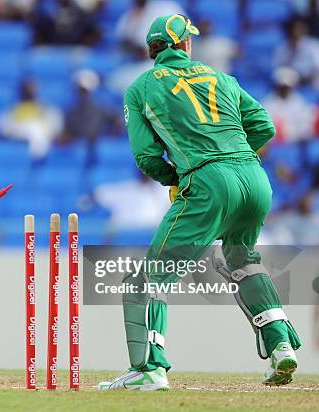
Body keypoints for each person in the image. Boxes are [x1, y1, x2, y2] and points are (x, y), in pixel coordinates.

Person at [99, 15, 301, 391]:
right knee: (242, 261)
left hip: (209, 181)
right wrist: (236, 156)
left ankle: (149, 369)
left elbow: (146, 157)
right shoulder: (219, 76)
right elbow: (265, 127)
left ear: (152, 50)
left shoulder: (141, 86)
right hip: (254, 179)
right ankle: (281, 344)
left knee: (153, 275)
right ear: (184, 45)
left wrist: (176, 179)